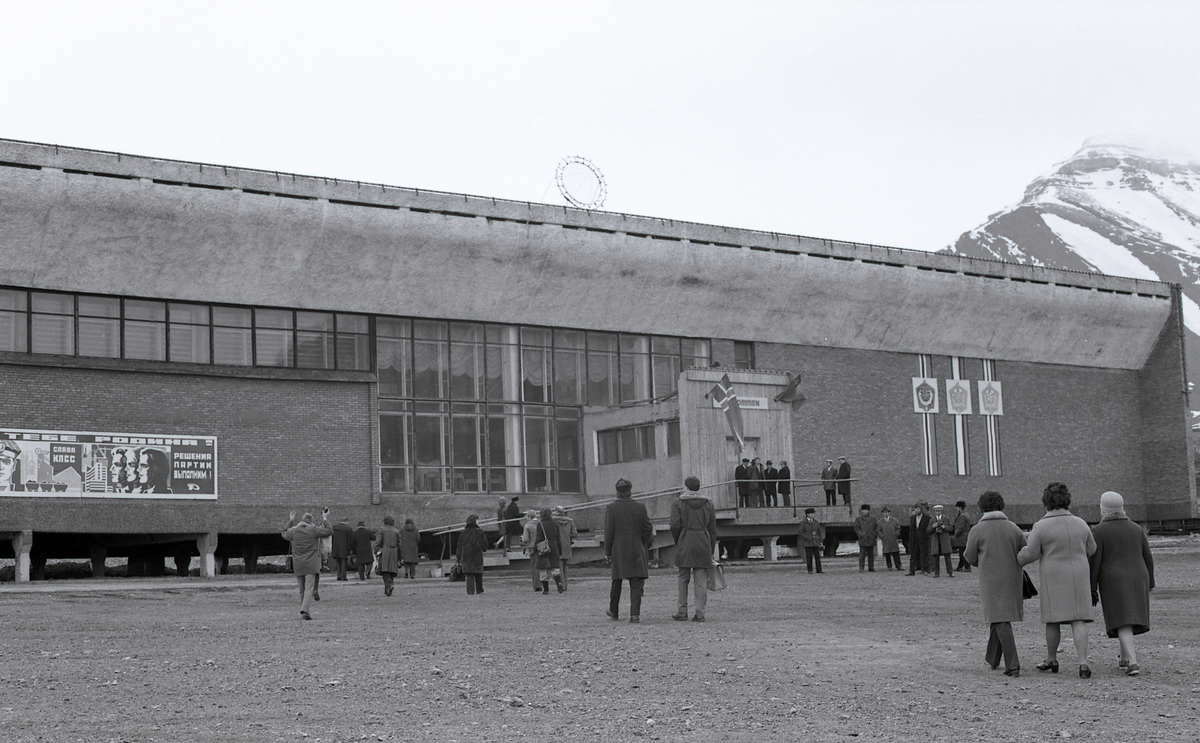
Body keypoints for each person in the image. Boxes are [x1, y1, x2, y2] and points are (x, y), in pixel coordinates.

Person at [1018, 482, 1097, 679]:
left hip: (1053, 574)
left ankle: (1051, 658)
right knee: (1078, 619)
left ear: (1046, 502)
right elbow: (1091, 548)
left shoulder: (1041, 526)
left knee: (1052, 619)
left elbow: (1031, 553)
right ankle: (1083, 663)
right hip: (1078, 573)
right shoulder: (1081, 523)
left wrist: (1018, 558)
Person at [1089, 491, 1155, 677]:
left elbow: (1095, 562)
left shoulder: (1098, 531)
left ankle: (1133, 663)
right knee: (1126, 617)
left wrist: (1092, 587)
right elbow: (1147, 556)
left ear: (1103, 509)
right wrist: (1151, 580)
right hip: (1139, 576)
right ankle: (1124, 658)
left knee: (1122, 619)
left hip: (1114, 579)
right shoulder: (1136, 528)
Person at [964, 491, 1027, 677]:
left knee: (999, 618)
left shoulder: (977, 529)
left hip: (990, 579)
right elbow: (1024, 550)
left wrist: (981, 563)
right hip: (1012, 578)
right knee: (999, 617)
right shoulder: (1013, 527)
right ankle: (993, 658)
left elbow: (969, 556)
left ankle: (1013, 664)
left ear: (981, 507)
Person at [605, 478, 653, 623]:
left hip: (618, 547)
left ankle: (614, 611)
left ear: (617, 492)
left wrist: (608, 552)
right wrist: (642, 541)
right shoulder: (640, 507)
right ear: (630, 491)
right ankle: (635, 615)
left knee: (617, 581)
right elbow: (647, 528)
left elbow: (609, 532)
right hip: (636, 546)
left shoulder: (611, 508)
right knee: (636, 582)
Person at [670, 476, 717, 622]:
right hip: (703, 539)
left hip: (685, 538)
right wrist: (711, 547)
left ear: (686, 486)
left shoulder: (678, 502)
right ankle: (700, 612)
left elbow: (674, 524)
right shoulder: (708, 503)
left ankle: (682, 610)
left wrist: (678, 539)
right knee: (701, 578)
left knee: (683, 577)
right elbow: (712, 527)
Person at [282, 510, 333, 620]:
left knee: (301, 588)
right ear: (311, 521)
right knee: (309, 588)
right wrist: (325, 518)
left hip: (298, 563)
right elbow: (329, 531)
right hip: (311, 562)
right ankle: (305, 610)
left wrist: (291, 520)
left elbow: (284, 533)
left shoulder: (293, 531)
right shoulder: (313, 530)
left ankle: (303, 609)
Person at [456, 514, 488, 595]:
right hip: (477, 555)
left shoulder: (463, 532)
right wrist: (484, 549)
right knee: (478, 573)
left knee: (469, 573)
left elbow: (459, 545)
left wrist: (458, 557)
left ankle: (470, 591)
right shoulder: (480, 532)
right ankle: (479, 589)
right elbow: (484, 544)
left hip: (466, 556)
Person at [534, 507, 565, 594]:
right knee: (555, 568)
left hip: (543, 547)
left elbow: (538, 538)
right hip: (554, 546)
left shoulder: (540, 524)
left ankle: (546, 589)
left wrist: (534, 549)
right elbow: (558, 538)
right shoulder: (555, 524)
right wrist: (560, 549)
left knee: (543, 568)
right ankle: (559, 583)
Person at [552, 506, 578, 590]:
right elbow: (574, 534)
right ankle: (565, 585)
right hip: (567, 545)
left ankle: (561, 584)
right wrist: (568, 537)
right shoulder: (570, 521)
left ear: (556, 511)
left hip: (557, 545)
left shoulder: (554, 521)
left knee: (559, 566)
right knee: (566, 566)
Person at [376, 516, 401, 597]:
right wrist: (400, 556)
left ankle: (389, 586)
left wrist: (376, 550)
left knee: (385, 570)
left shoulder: (382, 529)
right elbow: (400, 544)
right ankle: (388, 590)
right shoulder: (396, 531)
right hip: (394, 551)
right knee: (392, 570)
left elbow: (378, 541)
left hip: (385, 550)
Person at [927, 504, 954, 577]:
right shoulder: (932, 520)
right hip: (935, 540)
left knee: (947, 557)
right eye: (936, 511)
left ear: (941, 511)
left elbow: (951, 528)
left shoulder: (946, 519)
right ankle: (936, 572)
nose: (937, 512)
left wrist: (944, 527)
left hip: (944, 540)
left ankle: (950, 572)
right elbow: (928, 530)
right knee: (936, 557)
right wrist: (933, 527)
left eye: (938, 511)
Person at [798, 508, 825, 574]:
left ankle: (819, 569)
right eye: (811, 513)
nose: (813, 515)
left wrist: (820, 540)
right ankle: (810, 569)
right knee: (809, 557)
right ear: (808, 514)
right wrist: (806, 538)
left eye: (813, 513)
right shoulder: (803, 523)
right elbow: (801, 532)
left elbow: (819, 532)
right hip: (808, 542)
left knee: (817, 557)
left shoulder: (816, 522)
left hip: (816, 541)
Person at [522, 508, 542, 591]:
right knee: (542, 565)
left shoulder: (527, 525)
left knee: (534, 566)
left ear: (529, 516)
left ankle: (537, 585)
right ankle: (543, 582)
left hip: (532, 546)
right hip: (541, 545)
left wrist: (523, 540)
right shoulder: (540, 523)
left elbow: (525, 539)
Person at [906, 502, 929, 576]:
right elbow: (912, 530)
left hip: (923, 539)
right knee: (913, 555)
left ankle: (925, 569)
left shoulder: (926, 518)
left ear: (921, 510)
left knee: (924, 554)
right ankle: (911, 571)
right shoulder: (912, 518)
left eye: (918, 509)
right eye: (915, 509)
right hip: (915, 539)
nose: (916, 510)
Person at [854, 504, 878, 572]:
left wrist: (874, 534)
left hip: (871, 538)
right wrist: (861, 535)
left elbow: (876, 527)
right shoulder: (858, 519)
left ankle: (871, 567)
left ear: (868, 511)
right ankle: (861, 567)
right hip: (863, 539)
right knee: (862, 554)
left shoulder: (873, 518)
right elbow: (856, 528)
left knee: (871, 554)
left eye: (866, 510)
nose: (865, 512)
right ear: (862, 511)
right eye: (864, 510)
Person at [877, 506, 902, 570]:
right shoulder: (880, 522)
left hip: (893, 539)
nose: (885, 514)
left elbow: (898, 528)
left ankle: (898, 566)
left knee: (895, 553)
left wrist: (896, 534)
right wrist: (881, 536)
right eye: (884, 513)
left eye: (886, 512)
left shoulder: (894, 520)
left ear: (889, 513)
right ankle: (889, 566)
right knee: (887, 553)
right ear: (882, 514)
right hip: (885, 539)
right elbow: (878, 530)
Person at [952, 500, 973, 573]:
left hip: (962, 537)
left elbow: (961, 527)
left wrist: (956, 534)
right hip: (964, 536)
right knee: (962, 551)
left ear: (959, 507)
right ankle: (960, 566)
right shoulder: (966, 514)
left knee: (962, 552)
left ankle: (967, 567)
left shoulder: (962, 516)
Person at [331, 516, 354, 581]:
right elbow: (350, 540)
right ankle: (343, 576)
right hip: (344, 548)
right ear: (346, 521)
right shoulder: (348, 528)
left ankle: (338, 575)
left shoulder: (335, 527)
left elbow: (333, 538)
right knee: (343, 562)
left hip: (336, 548)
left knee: (338, 562)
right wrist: (350, 550)